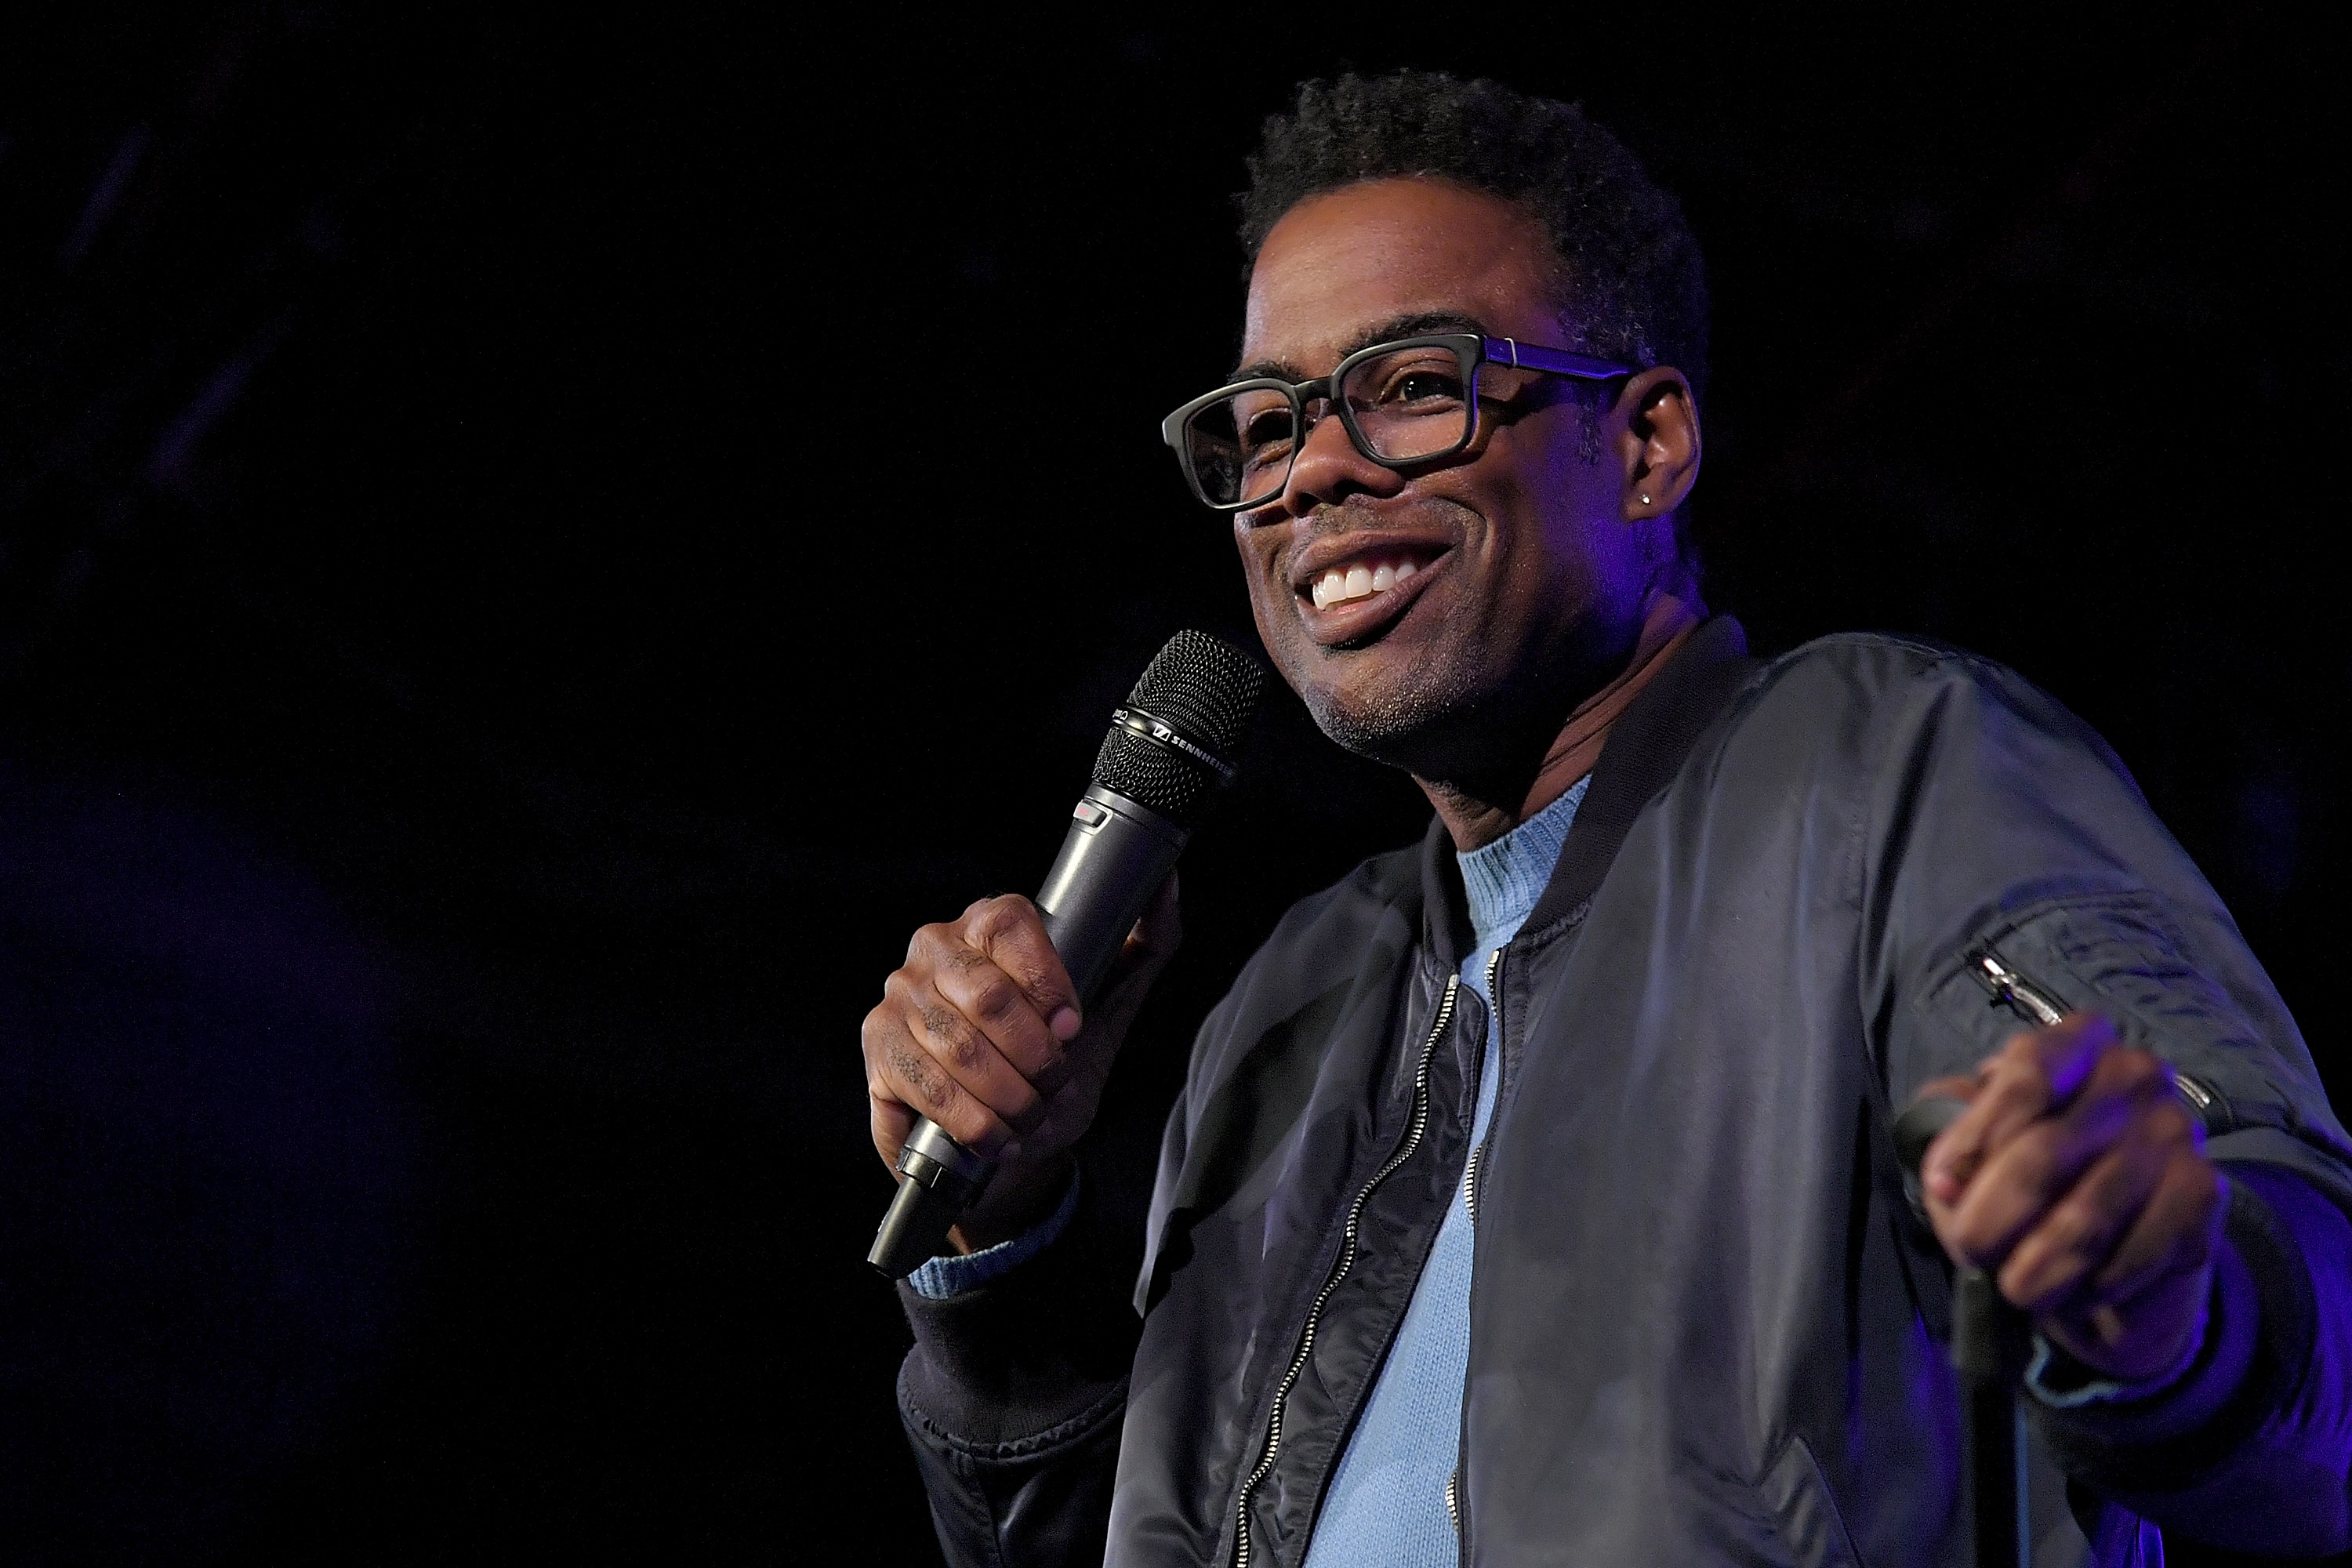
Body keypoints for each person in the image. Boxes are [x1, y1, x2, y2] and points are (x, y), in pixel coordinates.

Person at [858, 71, 2352, 1567]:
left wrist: (2178, 1316)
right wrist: (1007, 1240)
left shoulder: (1889, 778)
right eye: (1264, 423)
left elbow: (2305, 1340)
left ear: (1644, 447)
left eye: (1413, 386)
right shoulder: (1290, 1011)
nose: (1309, 471)